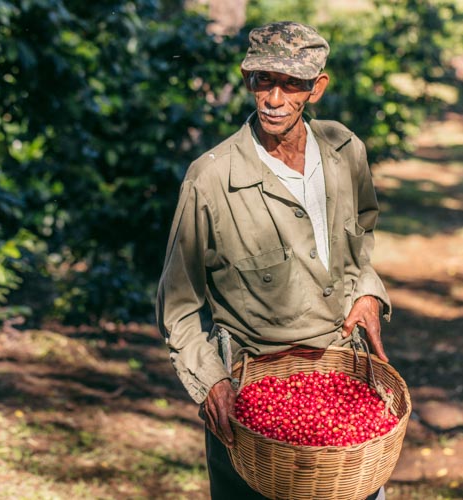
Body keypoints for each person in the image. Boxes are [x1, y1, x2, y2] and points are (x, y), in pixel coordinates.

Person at [156, 20, 391, 499]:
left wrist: (367, 288)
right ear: (248, 80)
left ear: (317, 88)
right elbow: (178, 304)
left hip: (342, 373)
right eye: (264, 80)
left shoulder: (345, 152)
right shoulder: (211, 178)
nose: (275, 98)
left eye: (292, 84)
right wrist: (211, 383)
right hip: (255, 385)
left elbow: (361, 232)